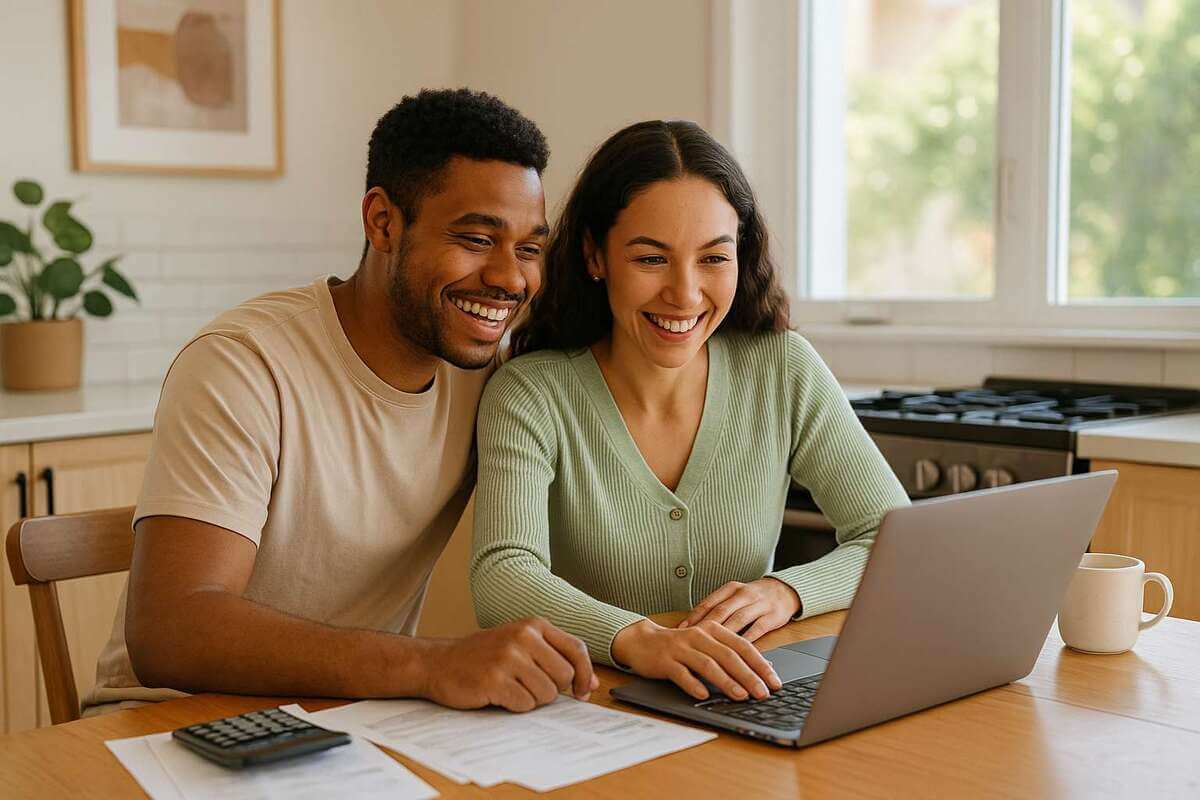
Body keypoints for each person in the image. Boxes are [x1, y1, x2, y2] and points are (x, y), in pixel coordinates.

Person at [84, 89, 596, 717]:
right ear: (383, 222)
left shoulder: (488, 373)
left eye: (528, 248)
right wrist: (432, 664)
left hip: (352, 721)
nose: (510, 278)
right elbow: (172, 630)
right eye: (474, 238)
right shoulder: (244, 363)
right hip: (165, 724)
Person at [471, 119, 909, 704]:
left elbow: (892, 536)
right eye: (651, 259)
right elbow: (503, 575)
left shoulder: (783, 368)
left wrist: (786, 592)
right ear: (594, 255)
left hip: (749, 700)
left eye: (713, 258)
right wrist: (637, 638)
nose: (685, 293)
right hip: (597, 711)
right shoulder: (531, 393)